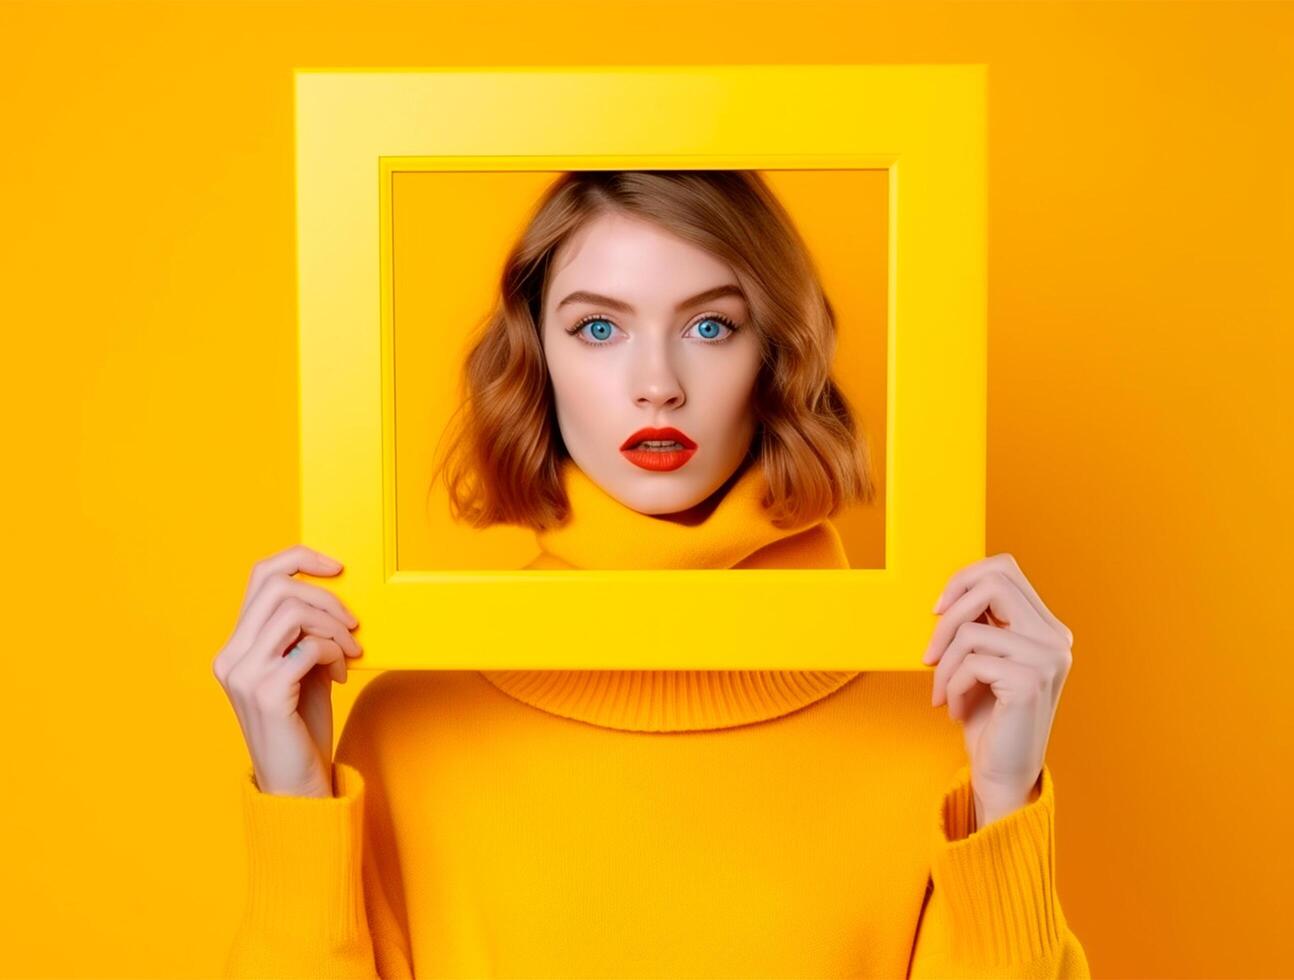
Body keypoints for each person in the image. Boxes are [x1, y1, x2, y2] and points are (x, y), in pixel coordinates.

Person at [214, 171, 1090, 978]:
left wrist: (1005, 803)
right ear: (536, 358)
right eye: (598, 327)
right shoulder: (411, 727)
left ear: (777, 355)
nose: (657, 384)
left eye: (711, 325)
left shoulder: (936, 718)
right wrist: (296, 804)